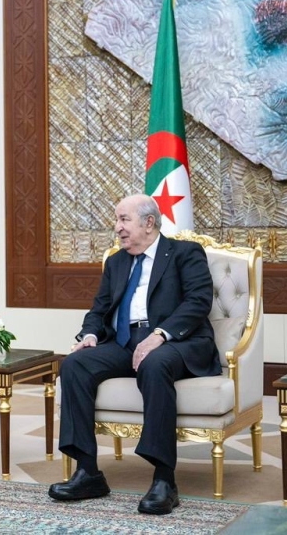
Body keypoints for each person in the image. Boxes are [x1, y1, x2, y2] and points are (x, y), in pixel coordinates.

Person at [49, 194, 219, 515]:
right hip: (124, 342)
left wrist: (159, 335)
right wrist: (89, 335)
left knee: (154, 364)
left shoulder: (184, 253)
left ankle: (164, 480)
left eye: (124, 220)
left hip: (174, 342)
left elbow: (198, 301)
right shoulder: (117, 262)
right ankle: (88, 472)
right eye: (117, 220)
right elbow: (99, 309)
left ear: (149, 222)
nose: (117, 228)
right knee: (74, 365)